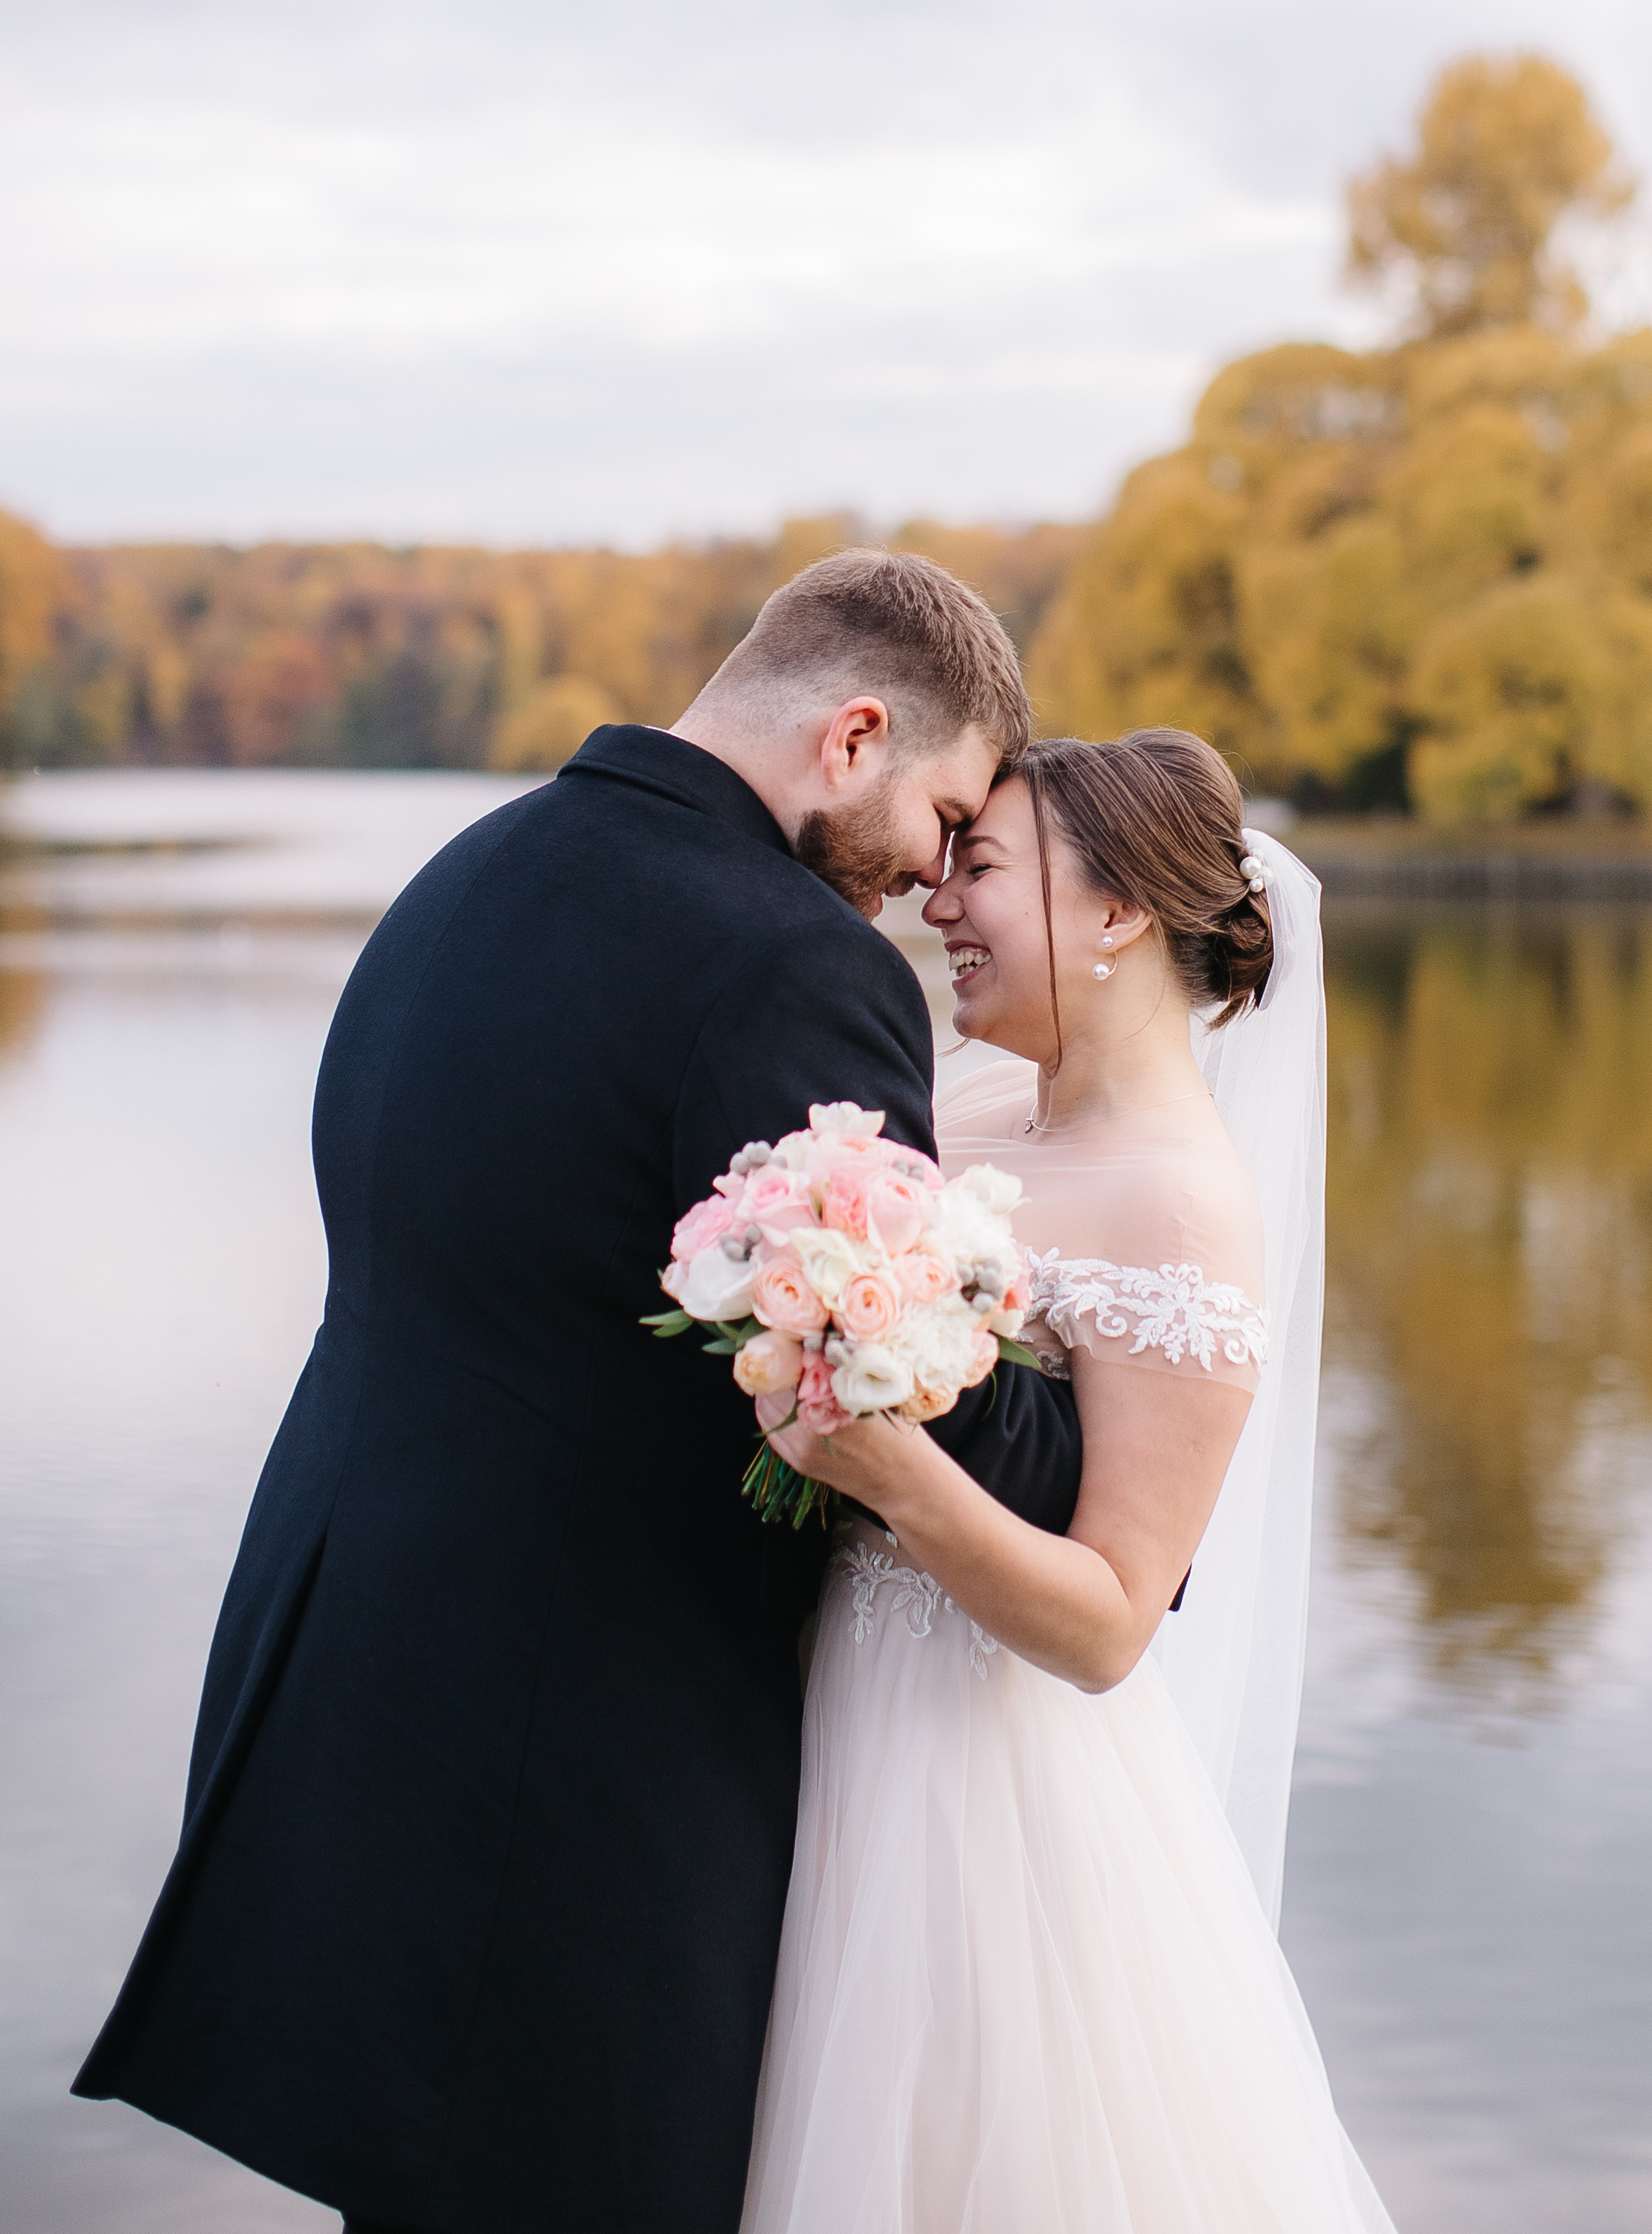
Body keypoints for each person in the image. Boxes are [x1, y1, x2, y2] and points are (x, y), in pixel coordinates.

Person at [72, 551, 1084, 2234]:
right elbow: (899, 1365)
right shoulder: (786, 965)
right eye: (946, 813)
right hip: (580, 1779)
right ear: (852, 735)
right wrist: (1114, 1435)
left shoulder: (469, 877)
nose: (930, 880)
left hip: (357, 1689)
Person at [740, 729, 1395, 2234]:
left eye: (980, 870)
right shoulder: (954, 1112)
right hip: (805, 1721)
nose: (936, 903)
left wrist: (888, 1470)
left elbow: (1108, 1622)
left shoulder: (1176, 1202)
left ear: (1115, 915)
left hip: (987, 1800)